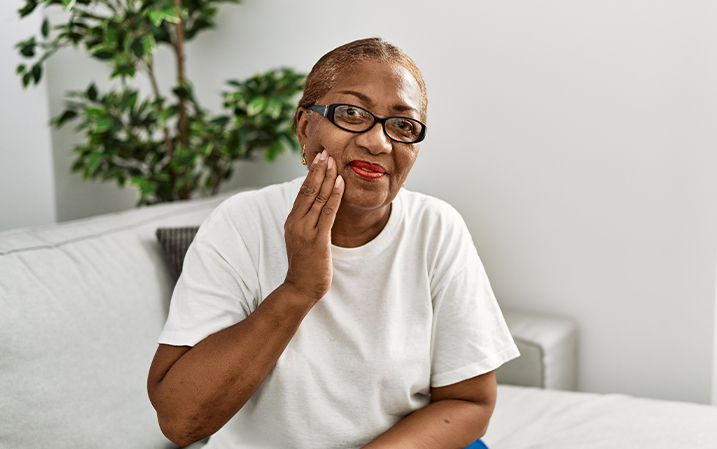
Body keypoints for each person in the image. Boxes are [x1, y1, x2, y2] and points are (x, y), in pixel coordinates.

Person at [147, 37, 519, 449]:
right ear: (306, 126)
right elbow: (180, 423)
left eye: (402, 125)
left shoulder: (437, 227)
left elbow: (470, 402)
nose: (378, 142)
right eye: (352, 114)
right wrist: (298, 289)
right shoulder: (241, 224)